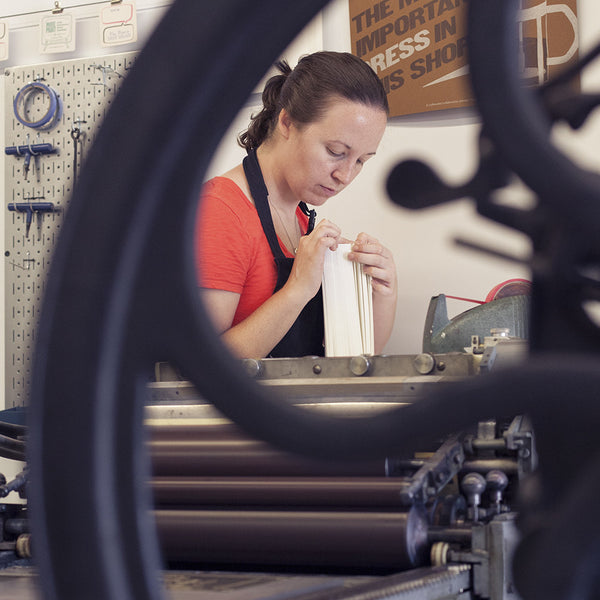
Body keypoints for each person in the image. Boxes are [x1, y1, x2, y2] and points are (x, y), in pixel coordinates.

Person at [195, 51, 397, 359]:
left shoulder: (300, 219)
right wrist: (298, 288)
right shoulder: (220, 211)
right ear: (287, 122)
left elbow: (359, 359)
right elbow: (200, 364)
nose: (345, 175)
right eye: (336, 151)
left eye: (360, 161)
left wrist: (383, 289)